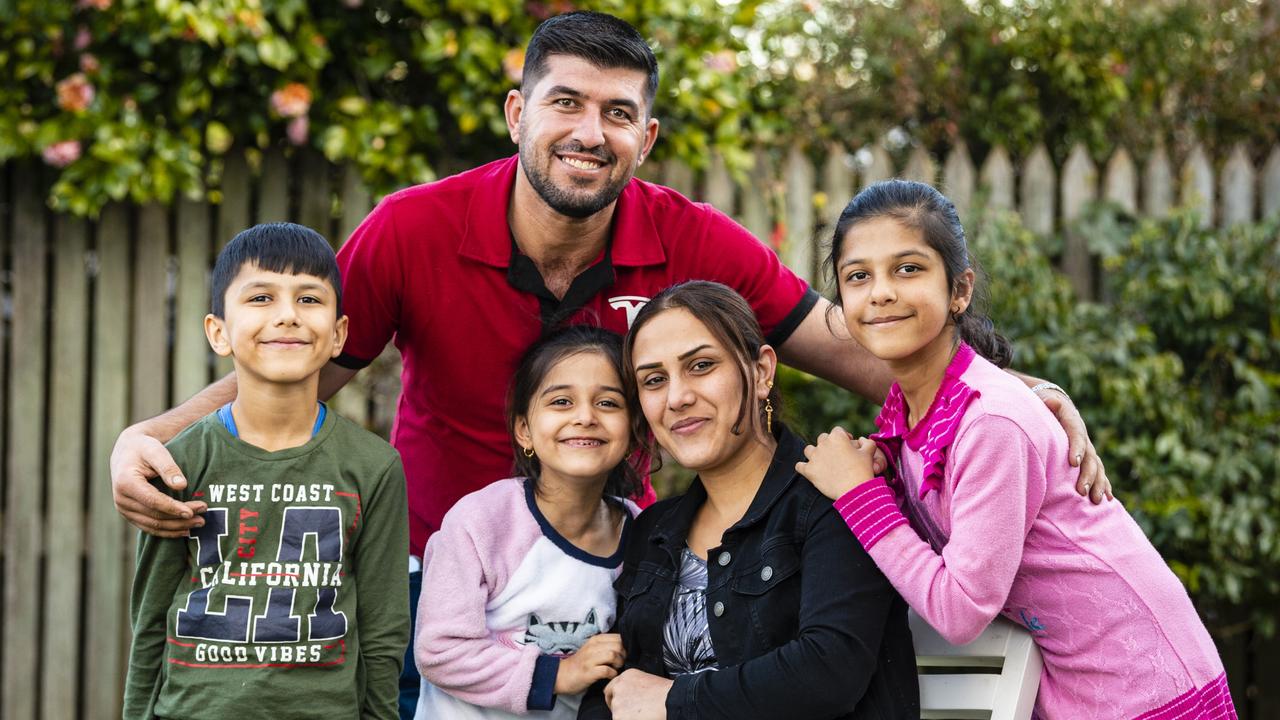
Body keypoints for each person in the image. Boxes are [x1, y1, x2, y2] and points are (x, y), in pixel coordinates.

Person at [108, 11, 1107, 717]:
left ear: (646, 135)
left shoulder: (694, 241)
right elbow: (283, 380)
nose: (589, 132)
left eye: (618, 113)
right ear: (517, 112)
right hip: (440, 576)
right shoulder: (410, 231)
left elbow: (849, 350)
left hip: (607, 575)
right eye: (566, 103)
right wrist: (145, 440)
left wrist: (1005, 389)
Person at [796, 180, 1234, 719]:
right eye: (858, 276)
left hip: (1147, 687)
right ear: (840, 304)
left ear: (959, 290)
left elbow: (959, 610)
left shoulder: (991, 421)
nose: (881, 291)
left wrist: (860, 495)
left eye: (908, 269)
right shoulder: (913, 413)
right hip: (1080, 688)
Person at [578, 281, 919, 720]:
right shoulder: (653, 530)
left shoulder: (836, 498)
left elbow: (831, 670)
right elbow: (615, 690)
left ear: (760, 372)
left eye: (700, 366)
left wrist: (673, 700)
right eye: (654, 380)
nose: (677, 398)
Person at [122, 223, 410, 719]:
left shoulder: (375, 467)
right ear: (218, 332)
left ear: (339, 332)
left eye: (309, 299)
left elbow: (383, 633)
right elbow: (151, 619)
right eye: (260, 298)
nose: (287, 316)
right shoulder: (181, 462)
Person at [413, 325, 641, 719]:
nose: (585, 417)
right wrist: (556, 673)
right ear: (524, 430)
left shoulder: (641, 532)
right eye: (561, 402)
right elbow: (440, 651)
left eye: (608, 403)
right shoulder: (482, 521)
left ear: (634, 429)